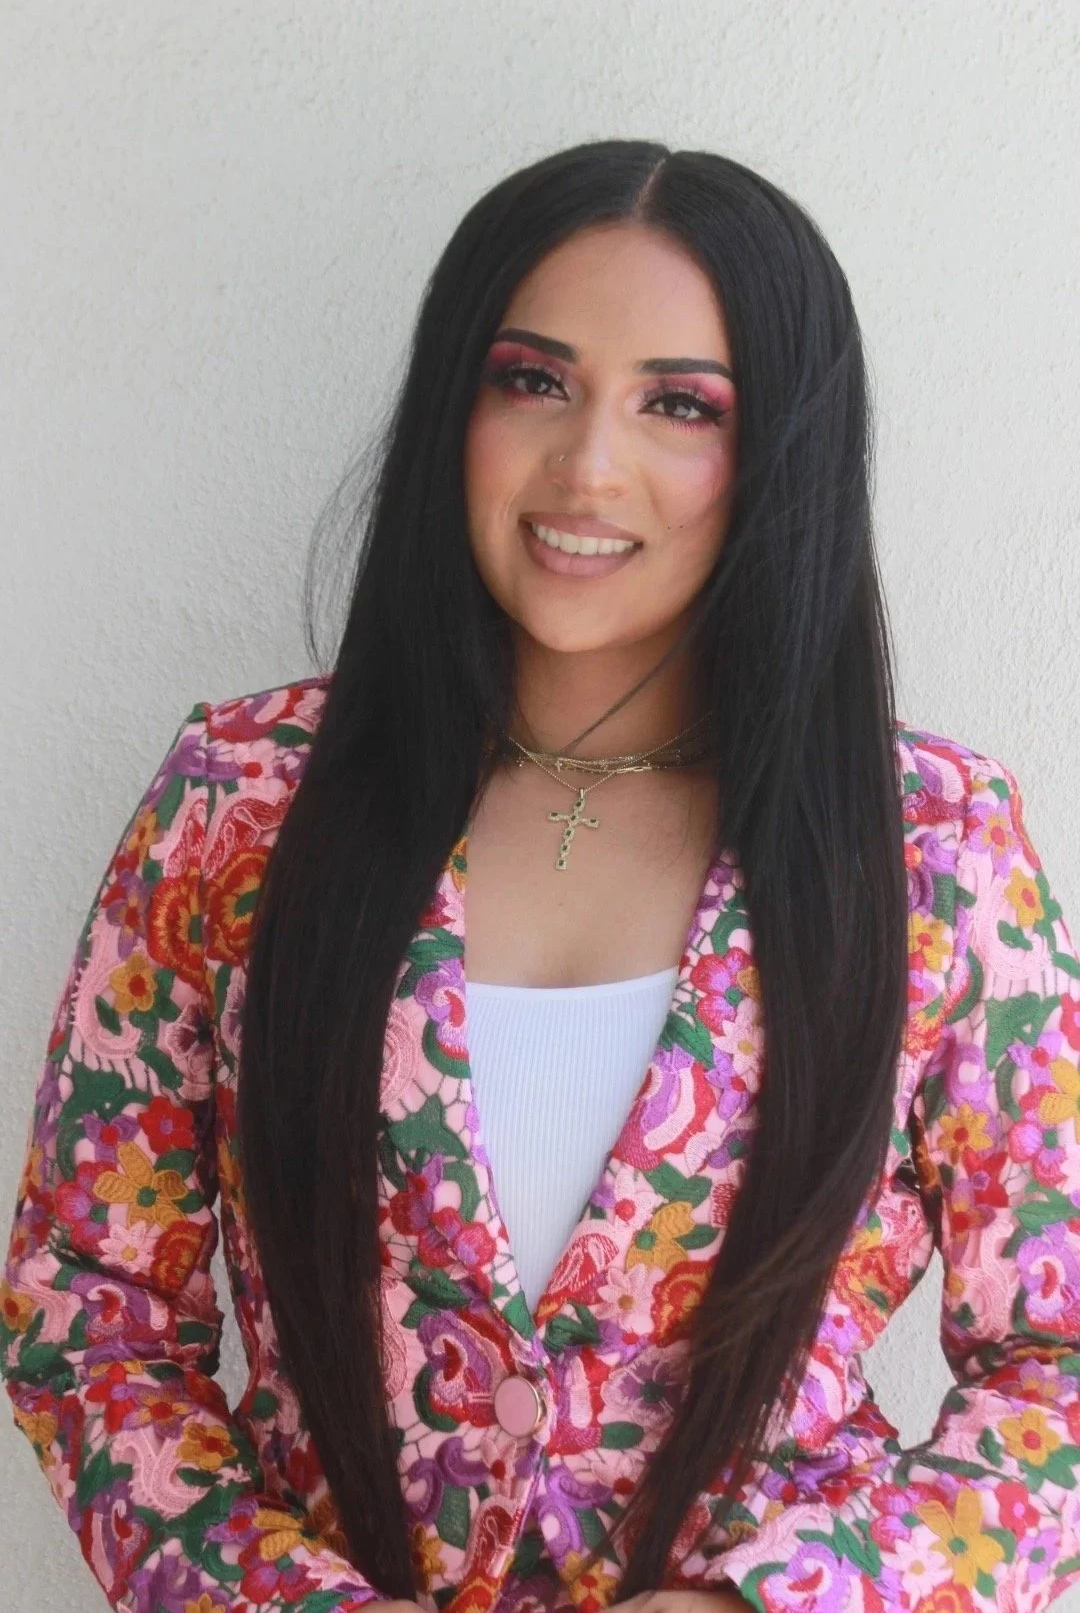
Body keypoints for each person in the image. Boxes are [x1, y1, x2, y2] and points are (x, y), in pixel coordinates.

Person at [2, 138, 1079, 1613]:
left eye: (680, 404)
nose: (587, 466)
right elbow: (91, 1314)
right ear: (456, 403)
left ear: (783, 450)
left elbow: (1059, 1364)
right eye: (533, 381)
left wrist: (770, 1604)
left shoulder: (929, 848)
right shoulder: (242, 804)